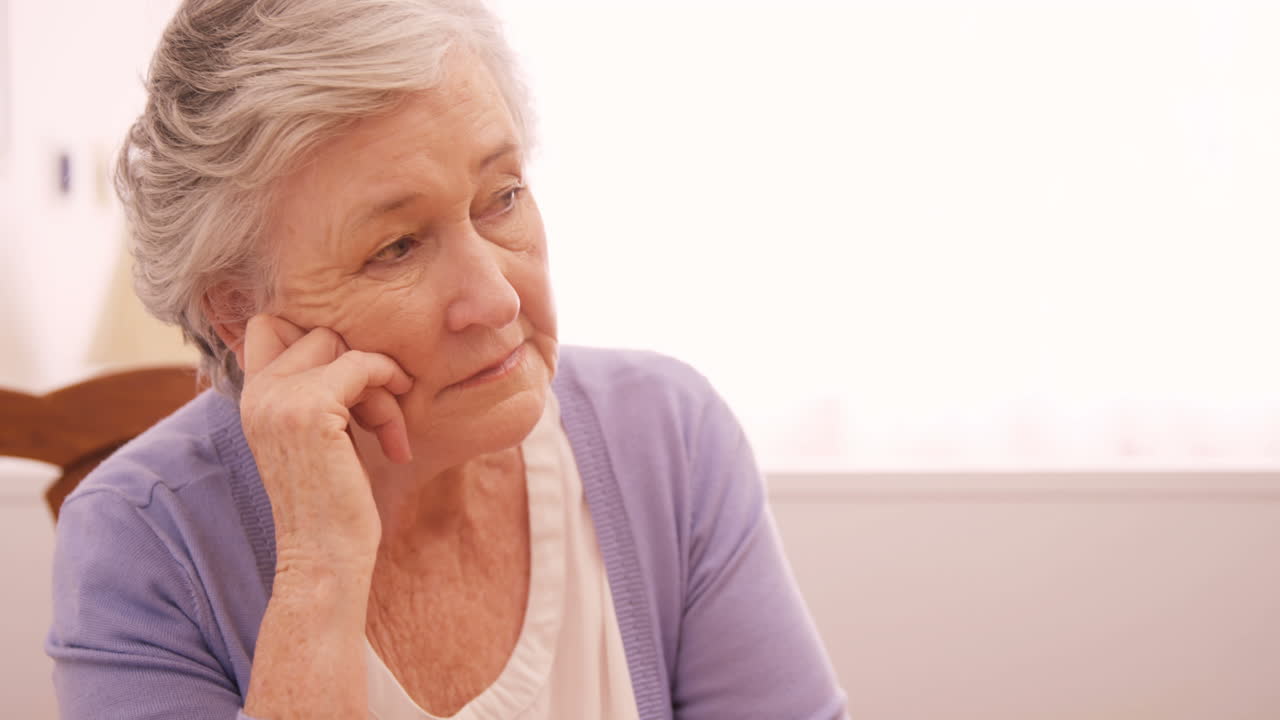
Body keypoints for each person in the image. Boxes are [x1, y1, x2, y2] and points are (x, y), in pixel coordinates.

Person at [46, 1, 848, 718]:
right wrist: (319, 570)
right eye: (396, 246)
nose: (497, 300)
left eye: (502, 197)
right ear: (238, 311)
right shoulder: (143, 539)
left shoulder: (669, 437)